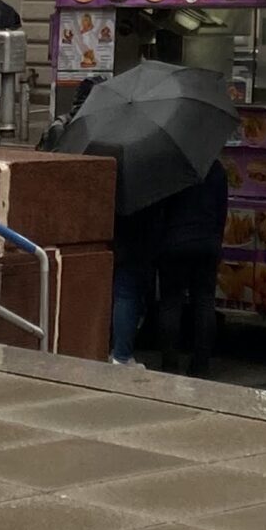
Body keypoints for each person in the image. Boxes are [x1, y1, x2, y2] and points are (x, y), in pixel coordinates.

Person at [153, 159, 230, 379]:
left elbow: (160, 211)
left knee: (170, 303)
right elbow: (221, 211)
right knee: (204, 302)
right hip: (207, 244)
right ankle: (201, 365)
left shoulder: (169, 170)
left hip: (173, 243)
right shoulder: (216, 169)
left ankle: (169, 363)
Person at [110, 197, 161, 366]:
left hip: (120, 243)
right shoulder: (148, 187)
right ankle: (121, 355)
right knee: (128, 296)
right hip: (137, 246)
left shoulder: (120, 184)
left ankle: (117, 351)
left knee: (122, 296)